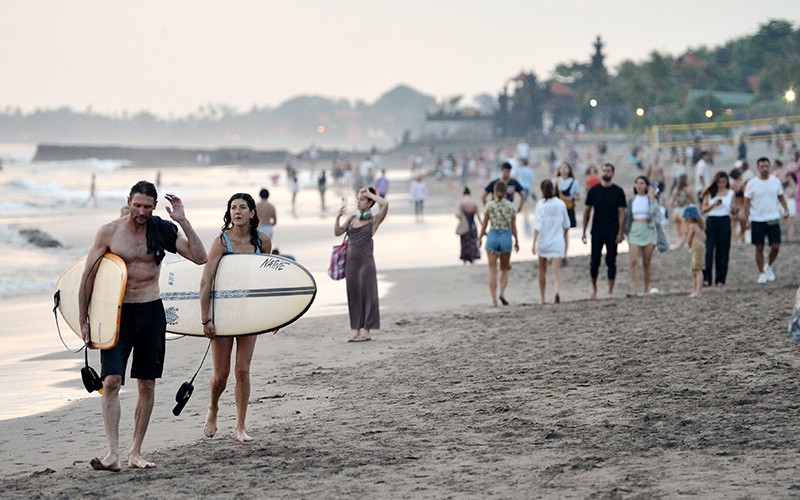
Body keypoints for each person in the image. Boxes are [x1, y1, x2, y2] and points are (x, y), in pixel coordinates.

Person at [79, 180, 207, 471]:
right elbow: (87, 277)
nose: (141, 211)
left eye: (147, 207)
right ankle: (112, 453)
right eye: (137, 205)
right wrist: (83, 320)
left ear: (153, 207)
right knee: (111, 381)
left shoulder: (161, 229)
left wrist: (183, 220)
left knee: (146, 383)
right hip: (117, 314)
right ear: (128, 201)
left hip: (151, 312)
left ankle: (135, 452)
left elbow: (200, 257)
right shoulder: (109, 232)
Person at [201, 193, 271, 443]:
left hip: (249, 312)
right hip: (224, 313)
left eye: (243, 207)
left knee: (242, 370)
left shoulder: (263, 241)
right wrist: (205, 318)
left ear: (252, 212)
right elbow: (206, 280)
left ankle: (240, 426)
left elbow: (266, 281)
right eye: (233, 208)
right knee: (221, 375)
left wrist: (274, 316)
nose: (237, 211)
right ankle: (213, 408)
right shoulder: (221, 241)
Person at [334, 187, 389, 342]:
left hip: (366, 262)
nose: (359, 201)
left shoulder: (373, 220)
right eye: (358, 199)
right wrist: (338, 217)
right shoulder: (352, 219)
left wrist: (370, 194)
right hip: (351, 264)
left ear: (370, 202)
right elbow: (337, 232)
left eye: (362, 199)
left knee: (368, 295)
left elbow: (385, 205)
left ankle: (366, 331)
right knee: (354, 295)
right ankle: (357, 331)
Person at [582, 163, 627, 299]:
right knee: (594, 261)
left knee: (611, 260)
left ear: (612, 173)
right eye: (604, 171)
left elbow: (622, 213)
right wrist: (584, 231)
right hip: (597, 230)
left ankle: (610, 290)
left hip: (612, 231)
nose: (606, 173)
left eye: (608, 171)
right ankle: (594, 290)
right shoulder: (594, 191)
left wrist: (621, 232)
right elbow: (587, 211)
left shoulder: (618, 191)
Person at [744, 157, 790, 283]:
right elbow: (747, 203)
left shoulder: (775, 181)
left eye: (766, 166)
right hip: (757, 218)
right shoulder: (752, 183)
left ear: (769, 167)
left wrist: (786, 210)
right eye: (762, 166)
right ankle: (761, 272)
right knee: (759, 247)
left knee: (775, 246)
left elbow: (781, 197)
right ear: (758, 168)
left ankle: (768, 266)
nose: (764, 168)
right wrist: (747, 218)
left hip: (773, 217)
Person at [479, 181, 519, 307]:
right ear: (506, 191)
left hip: (493, 236)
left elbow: (484, 224)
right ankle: (502, 293)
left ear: (494, 192)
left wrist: (480, 238)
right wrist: (517, 241)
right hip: (506, 237)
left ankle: (494, 300)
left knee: (492, 270)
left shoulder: (489, 206)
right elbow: (513, 227)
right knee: (504, 269)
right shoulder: (511, 206)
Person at [532, 179, 570, 304]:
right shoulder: (560, 204)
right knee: (555, 271)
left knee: (542, 270)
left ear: (542, 190)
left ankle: (543, 298)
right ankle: (557, 290)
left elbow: (538, 225)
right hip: (557, 241)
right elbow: (566, 225)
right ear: (553, 189)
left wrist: (533, 243)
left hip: (544, 241)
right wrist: (564, 239)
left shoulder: (541, 205)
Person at [624, 176, 660, 295]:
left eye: (642, 183)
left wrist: (652, 198)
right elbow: (628, 216)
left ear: (646, 186)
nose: (639, 186)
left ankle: (646, 288)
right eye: (637, 183)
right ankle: (634, 289)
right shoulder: (632, 200)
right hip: (635, 230)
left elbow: (654, 214)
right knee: (633, 261)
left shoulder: (651, 200)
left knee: (646, 261)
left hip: (648, 229)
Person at [700, 171, 733, 286]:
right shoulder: (710, 193)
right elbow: (703, 209)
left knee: (723, 250)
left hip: (724, 220)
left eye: (724, 182)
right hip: (712, 220)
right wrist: (713, 205)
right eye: (719, 182)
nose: (721, 184)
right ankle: (706, 278)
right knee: (708, 250)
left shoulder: (730, 193)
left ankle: (720, 278)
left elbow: (734, 207)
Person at [553, 161, 581, 266]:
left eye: (566, 168)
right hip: (556, 211)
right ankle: (556, 254)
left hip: (568, 210)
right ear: (559, 170)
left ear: (569, 170)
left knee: (564, 233)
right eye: (562, 168)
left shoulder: (574, 182)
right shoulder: (555, 181)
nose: (564, 170)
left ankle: (564, 255)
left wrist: (571, 198)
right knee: (557, 233)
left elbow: (578, 196)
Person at [683, 205, 706, 298]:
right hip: (701, 247)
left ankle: (697, 290)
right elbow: (705, 237)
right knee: (696, 269)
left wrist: (689, 244)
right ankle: (696, 289)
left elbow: (689, 238)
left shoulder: (692, 226)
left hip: (696, 248)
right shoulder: (700, 227)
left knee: (697, 270)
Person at [669, 173, 695, 248]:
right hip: (684, 212)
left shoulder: (675, 190)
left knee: (679, 233)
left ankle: (678, 244)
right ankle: (677, 246)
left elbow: (671, 203)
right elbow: (693, 202)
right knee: (684, 232)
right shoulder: (688, 190)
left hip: (676, 211)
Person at [456, 187, 481, 264]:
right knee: (473, 242)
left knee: (464, 242)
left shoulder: (462, 202)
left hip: (465, 225)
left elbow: (459, 215)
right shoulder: (474, 202)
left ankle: (464, 259)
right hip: (473, 225)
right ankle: (473, 259)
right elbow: (479, 216)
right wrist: (483, 225)